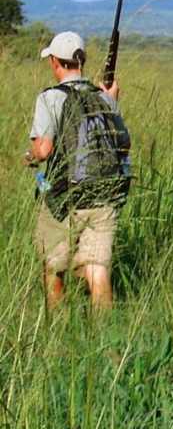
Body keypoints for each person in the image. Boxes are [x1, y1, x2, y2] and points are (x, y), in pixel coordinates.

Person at [26, 31, 128, 310]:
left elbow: (44, 150)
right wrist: (113, 102)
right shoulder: (104, 98)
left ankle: (56, 330)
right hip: (103, 195)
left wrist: (30, 155)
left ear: (56, 62)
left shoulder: (49, 98)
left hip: (64, 197)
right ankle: (105, 336)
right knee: (97, 268)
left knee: (53, 265)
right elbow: (123, 144)